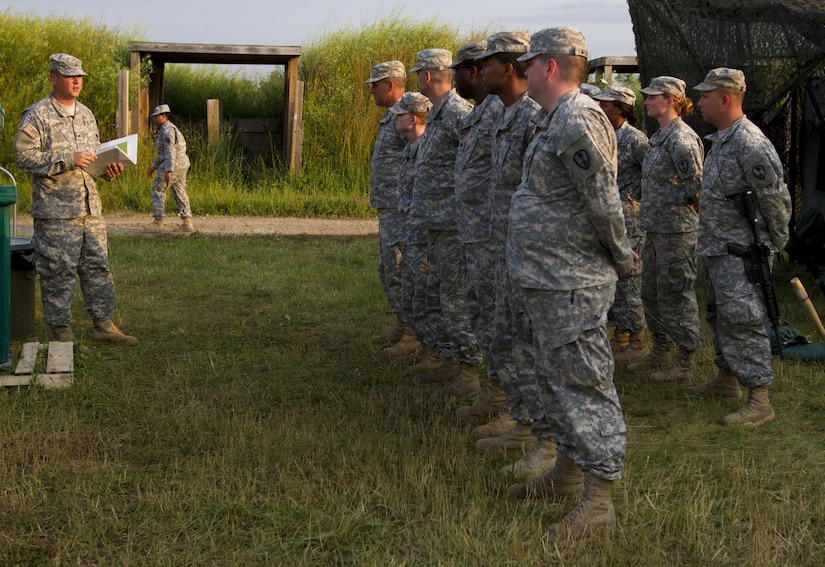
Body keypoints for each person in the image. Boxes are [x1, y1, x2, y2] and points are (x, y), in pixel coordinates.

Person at [505, 27, 636, 538]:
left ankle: (599, 502)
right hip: (547, 277)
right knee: (556, 381)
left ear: (551, 67)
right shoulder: (552, 117)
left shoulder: (579, 117)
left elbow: (604, 202)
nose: (524, 70)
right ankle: (565, 476)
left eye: (530, 62)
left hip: (572, 281)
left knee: (584, 384)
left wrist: (623, 258)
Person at [14, 53, 137, 346]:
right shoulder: (37, 115)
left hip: (89, 207)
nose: (77, 81)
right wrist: (67, 159)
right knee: (57, 270)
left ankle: (103, 326)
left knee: (98, 265)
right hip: (56, 212)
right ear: (54, 78)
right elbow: (23, 156)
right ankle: (61, 333)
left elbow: (91, 158)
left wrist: (109, 169)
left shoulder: (86, 114)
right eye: (70, 75)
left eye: (80, 75)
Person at [691, 68, 792, 426]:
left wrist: (774, 245)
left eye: (705, 96)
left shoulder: (749, 142)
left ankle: (760, 399)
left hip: (742, 253)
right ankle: (727, 380)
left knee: (743, 321)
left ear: (725, 99)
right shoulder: (720, 141)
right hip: (718, 250)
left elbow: (775, 199)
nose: (699, 101)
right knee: (719, 316)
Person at [473, 31, 552, 479]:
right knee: (509, 337)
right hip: (502, 245)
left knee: (528, 344)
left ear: (509, 67)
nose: (480, 70)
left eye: (488, 63)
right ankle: (522, 421)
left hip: (528, 251)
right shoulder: (507, 114)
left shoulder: (532, 117)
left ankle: (542, 435)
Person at [407, 48, 480, 396]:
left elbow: (475, 162)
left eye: (418, 73)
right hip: (435, 223)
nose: (417, 78)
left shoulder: (458, 112)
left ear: (428, 76)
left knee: (455, 299)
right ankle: (450, 358)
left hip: (453, 224)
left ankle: (468, 372)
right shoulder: (438, 114)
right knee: (439, 296)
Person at [627, 76, 703, 383]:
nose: (645, 102)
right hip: (655, 229)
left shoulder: (681, 139)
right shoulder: (660, 137)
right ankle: (660, 350)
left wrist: (678, 210)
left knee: (676, 293)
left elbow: (696, 187)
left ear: (669, 100)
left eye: (651, 97)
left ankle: (686, 360)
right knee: (650, 292)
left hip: (676, 231)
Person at [450, 40, 504, 400]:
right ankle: (497, 396)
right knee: (482, 314)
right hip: (474, 231)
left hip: (492, 234)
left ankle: (505, 401)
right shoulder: (479, 112)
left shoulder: (502, 111)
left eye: (459, 72)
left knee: (498, 318)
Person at [593, 85, 650, 366]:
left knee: (629, 279)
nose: (600, 107)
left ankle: (637, 337)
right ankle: (622, 332)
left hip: (630, 217)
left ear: (620, 108)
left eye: (605, 104)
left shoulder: (635, 139)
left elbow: (651, 176)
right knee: (612, 276)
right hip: (609, 216)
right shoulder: (606, 135)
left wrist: (637, 204)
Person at [382, 92, 432, 359]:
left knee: (422, 287)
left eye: (400, 114)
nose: (395, 118)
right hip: (409, 226)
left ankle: (423, 342)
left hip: (422, 231)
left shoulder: (426, 147)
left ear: (412, 119)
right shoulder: (412, 147)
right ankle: (415, 337)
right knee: (409, 283)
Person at [364, 61, 410, 347]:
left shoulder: (409, 114)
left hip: (401, 209)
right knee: (389, 268)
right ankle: (403, 325)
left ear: (390, 85)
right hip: (390, 207)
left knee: (400, 269)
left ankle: (414, 334)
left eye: (375, 84)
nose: (371, 91)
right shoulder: (394, 115)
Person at [146, 104, 195, 232]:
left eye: (156, 117)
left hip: (174, 163)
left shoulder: (167, 130)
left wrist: (169, 170)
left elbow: (170, 151)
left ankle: (158, 221)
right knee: (179, 191)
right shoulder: (168, 129)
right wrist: (153, 166)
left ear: (163, 116)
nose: (154, 120)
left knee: (158, 188)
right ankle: (187, 222)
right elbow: (163, 154)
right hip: (181, 163)